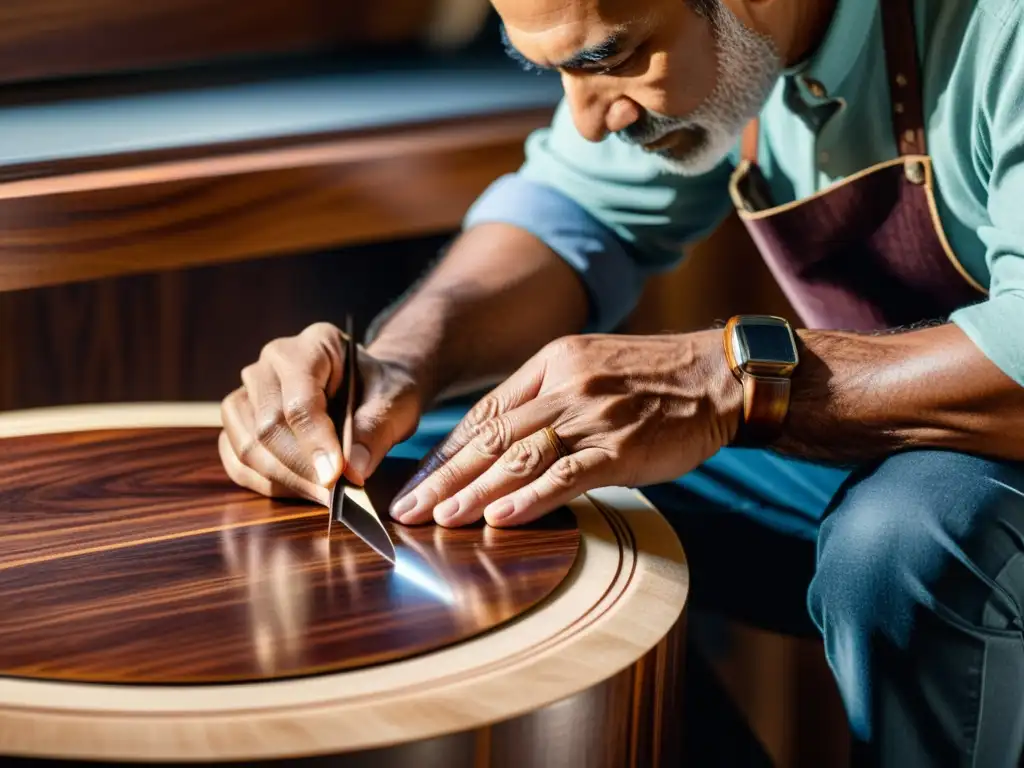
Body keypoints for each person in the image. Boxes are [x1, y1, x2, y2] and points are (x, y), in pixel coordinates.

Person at [217, 0, 1024, 764]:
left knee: (910, 535)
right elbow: (576, 216)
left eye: (612, 58)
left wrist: (723, 377)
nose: (588, 116)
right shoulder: (742, 45)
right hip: (888, 450)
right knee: (448, 474)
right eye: (558, 72)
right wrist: (397, 365)